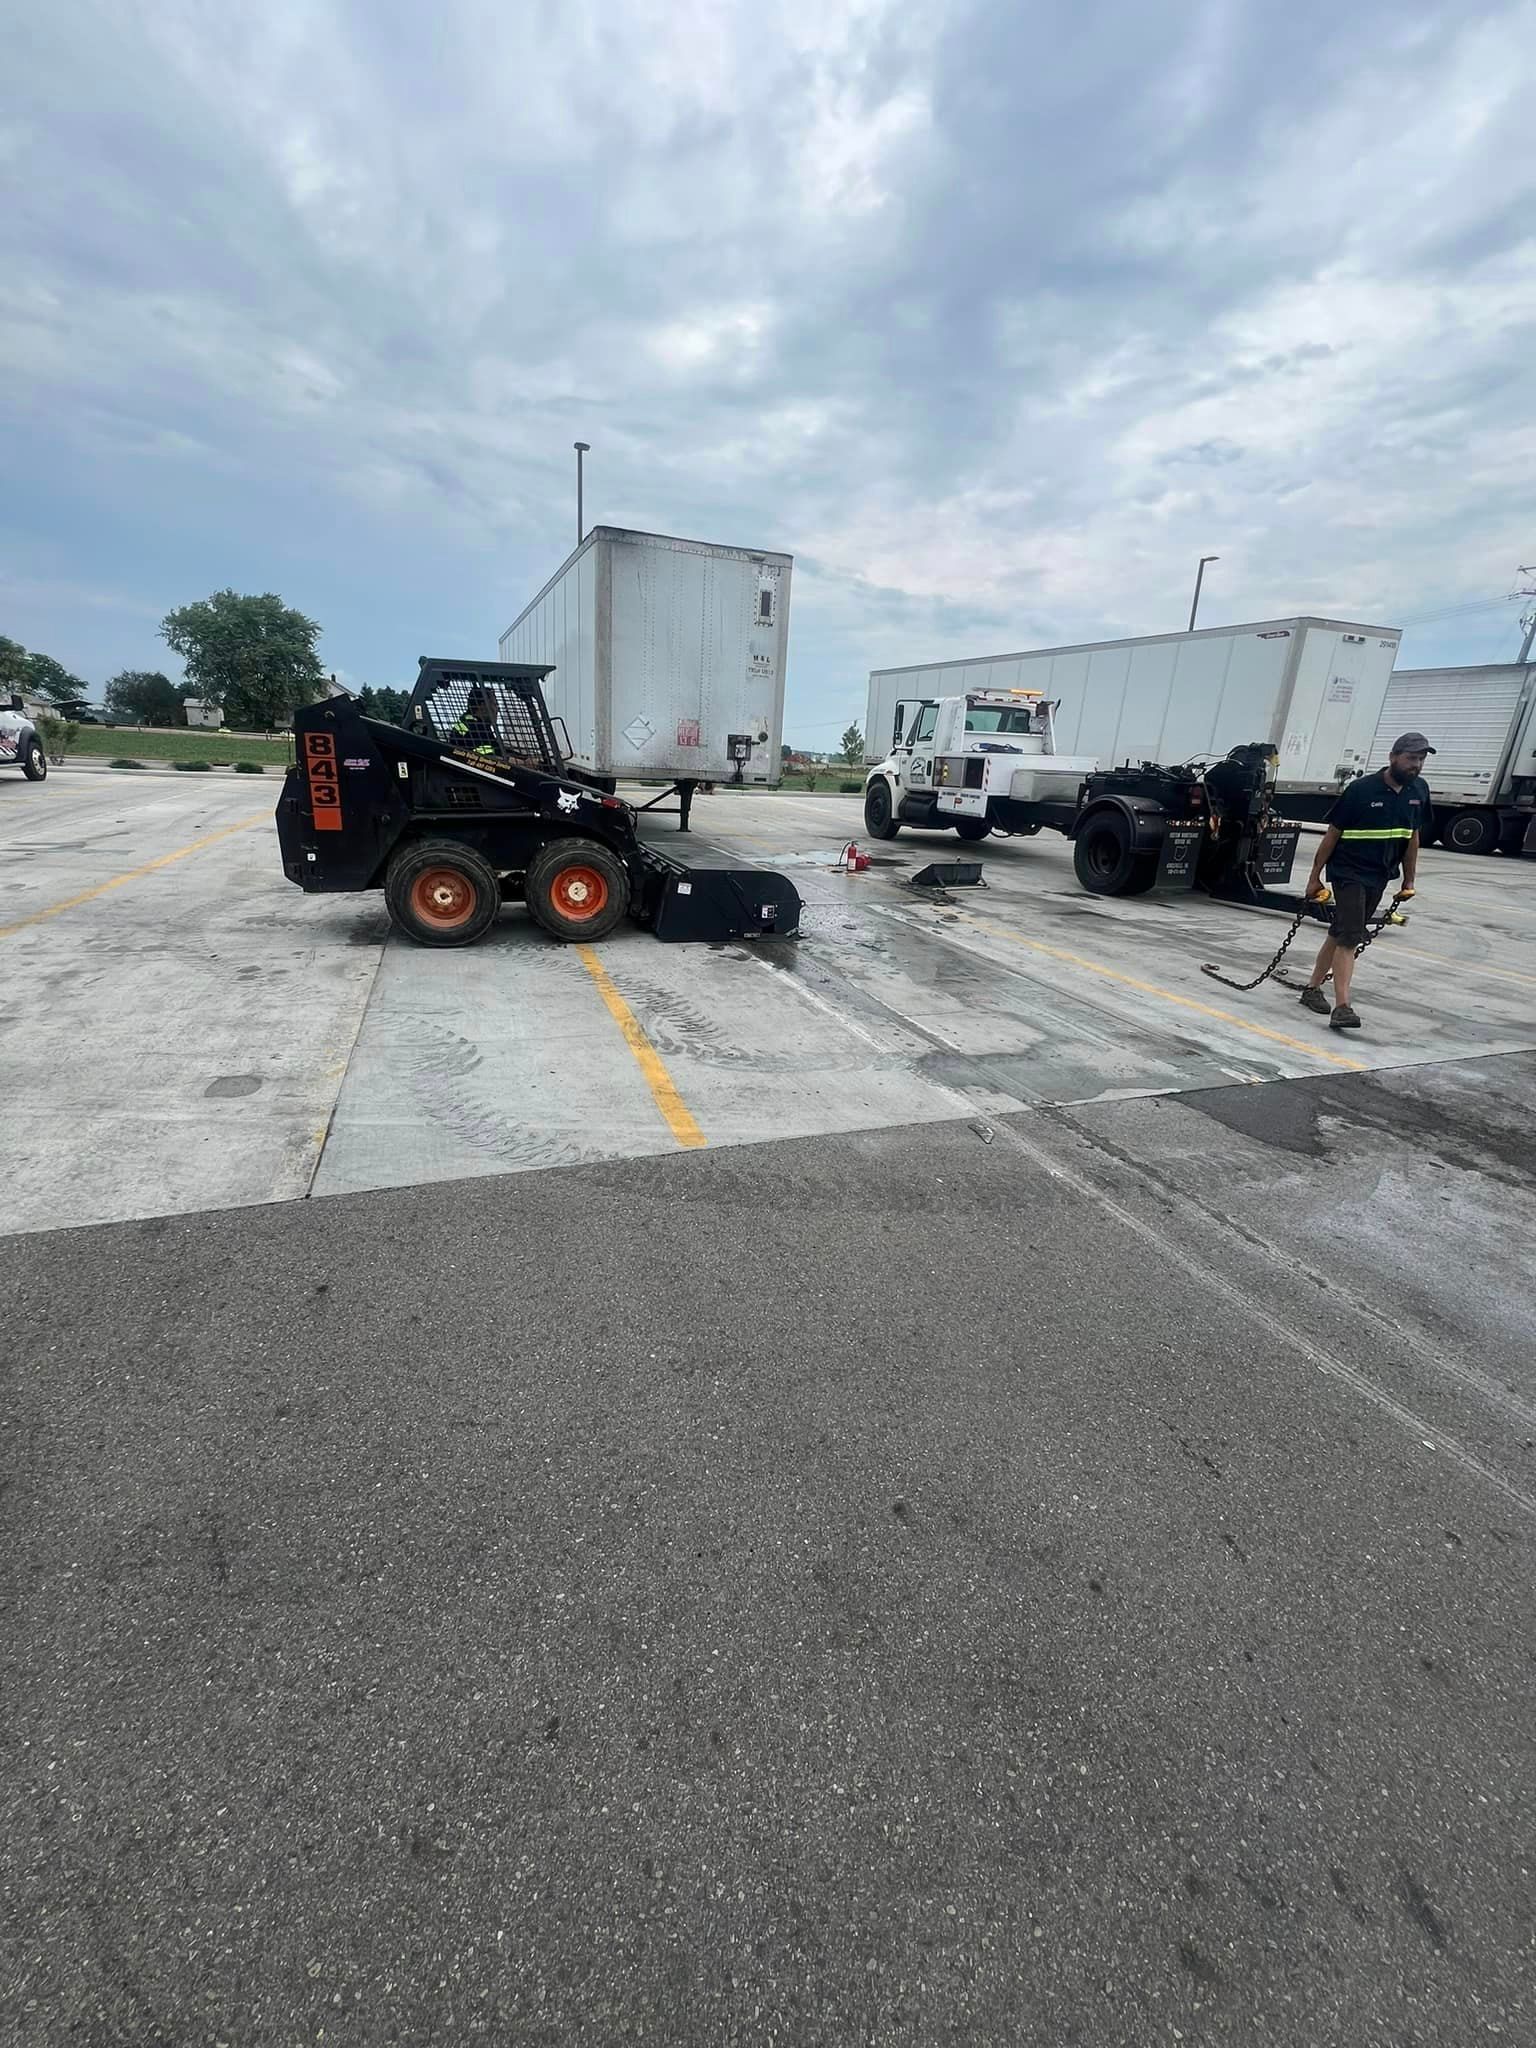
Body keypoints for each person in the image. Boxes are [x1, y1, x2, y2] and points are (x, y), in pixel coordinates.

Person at [1298, 732, 1434, 1032]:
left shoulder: (1419, 791)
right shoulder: (1361, 790)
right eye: (1411, 758)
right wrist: (1314, 877)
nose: (1416, 764)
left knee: (1339, 932)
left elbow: (1412, 837)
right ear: (1393, 757)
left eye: (1421, 759)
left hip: (1380, 873)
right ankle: (1342, 1007)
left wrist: (1409, 879)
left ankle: (1312, 989)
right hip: (1348, 871)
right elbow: (1332, 834)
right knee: (1350, 936)